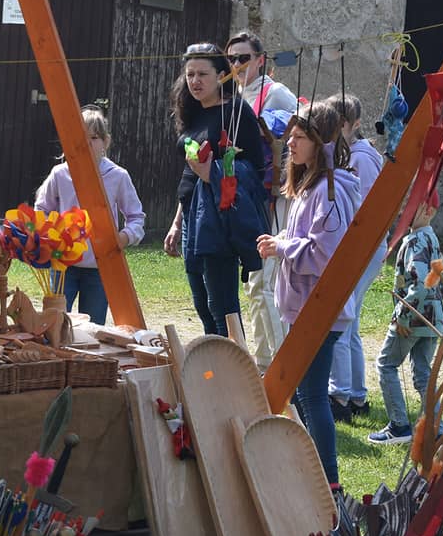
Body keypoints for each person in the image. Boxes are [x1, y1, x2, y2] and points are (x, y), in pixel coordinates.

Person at [257, 101, 360, 486]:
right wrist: (281, 239)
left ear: (321, 143)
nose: (291, 144)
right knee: (304, 393)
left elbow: (324, 254)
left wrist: (282, 247)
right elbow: (308, 237)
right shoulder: (310, 187)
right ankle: (310, 470)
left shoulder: (329, 192)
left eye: (300, 137)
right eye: (291, 136)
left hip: (319, 310)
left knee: (313, 396)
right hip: (303, 307)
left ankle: (329, 481)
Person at [165, 43, 268, 338]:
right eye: (190, 74)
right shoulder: (193, 111)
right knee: (202, 305)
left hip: (219, 218)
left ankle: (234, 362)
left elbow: (255, 170)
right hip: (192, 218)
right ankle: (215, 362)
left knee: (222, 306)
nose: (194, 81)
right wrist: (177, 222)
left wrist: (214, 173)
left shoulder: (236, 112)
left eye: (202, 74)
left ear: (222, 76)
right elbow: (191, 171)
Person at [35, 105, 145, 324]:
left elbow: (136, 218)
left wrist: (123, 238)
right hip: (63, 266)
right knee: (55, 325)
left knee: (93, 328)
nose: (87, 143)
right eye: (81, 138)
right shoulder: (60, 174)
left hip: (99, 268)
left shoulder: (118, 176)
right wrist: (50, 235)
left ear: (105, 142)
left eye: (93, 138)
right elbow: (41, 209)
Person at [226, 31, 297, 371]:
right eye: (231, 59)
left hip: (275, 199)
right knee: (255, 282)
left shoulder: (276, 93)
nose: (237, 65)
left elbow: (299, 138)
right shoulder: (235, 96)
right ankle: (263, 361)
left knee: (267, 281)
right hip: (249, 197)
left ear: (260, 60)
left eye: (243, 58)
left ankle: (283, 364)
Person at [369, 192, 443, 445]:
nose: (405, 212)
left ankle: (399, 426)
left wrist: (403, 316)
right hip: (432, 320)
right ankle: (436, 429)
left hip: (412, 320)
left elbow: (421, 283)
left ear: (428, 211)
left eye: (412, 207)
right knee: (423, 374)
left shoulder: (415, 241)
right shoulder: (432, 239)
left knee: (386, 364)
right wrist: (434, 307)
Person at [327, 93, 387, 422]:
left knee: (340, 319)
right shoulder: (347, 153)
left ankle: (342, 396)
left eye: (341, 124)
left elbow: (364, 212)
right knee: (348, 322)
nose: (335, 130)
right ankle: (356, 395)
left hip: (363, 248)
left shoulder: (361, 157)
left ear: (355, 124)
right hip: (358, 248)